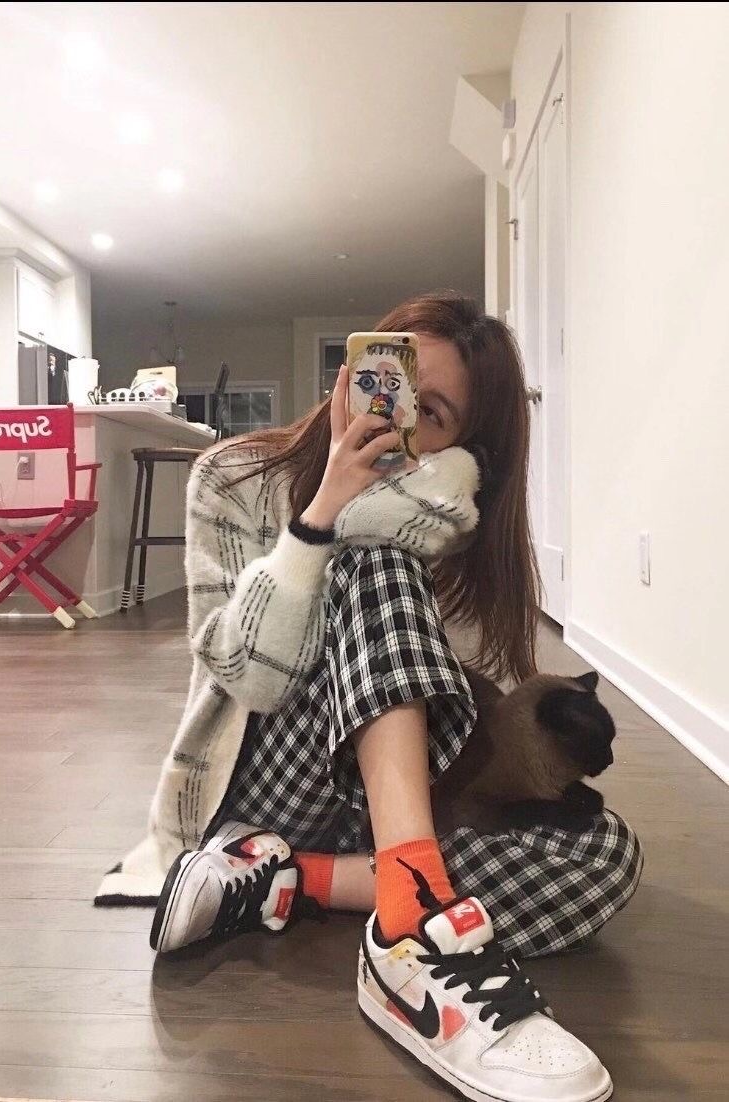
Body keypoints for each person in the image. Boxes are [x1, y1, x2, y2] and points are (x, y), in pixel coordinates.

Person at [96, 291, 642, 1102]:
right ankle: (410, 933)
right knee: (369, 556)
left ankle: (289, 882)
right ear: (354, 366)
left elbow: (445, 711)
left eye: (432, 412)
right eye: (390, 377)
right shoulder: (233, 476)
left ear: (462, 445)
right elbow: (246, 678)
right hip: (262, 777)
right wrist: (326, 517)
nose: (392, 412)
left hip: (377, 803)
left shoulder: (455, 515)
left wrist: (429, 510)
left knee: (605, 855)